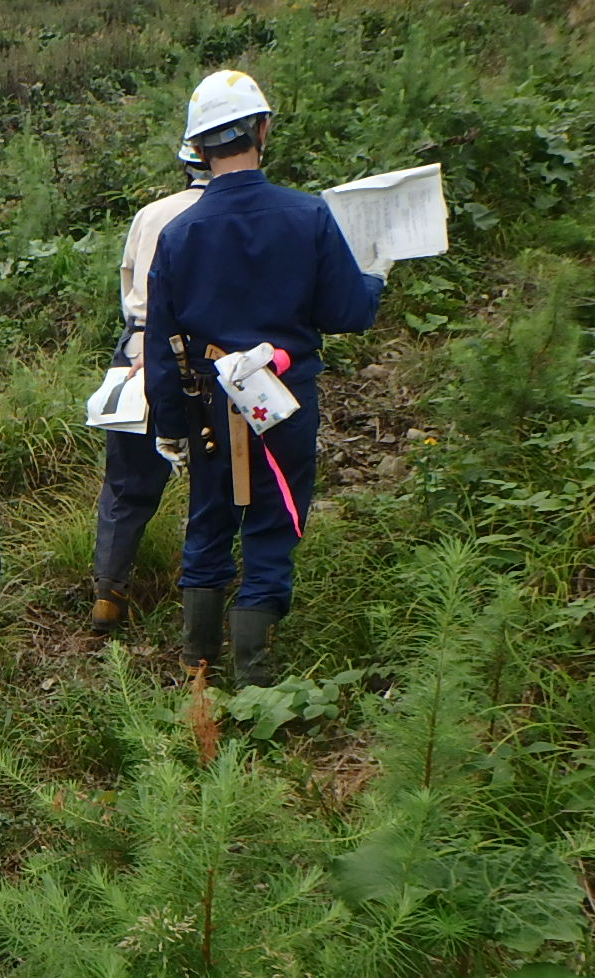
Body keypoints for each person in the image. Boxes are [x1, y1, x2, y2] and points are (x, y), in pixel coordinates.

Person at [144, 71, 386, 685]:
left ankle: (197, 664)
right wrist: (374, 271)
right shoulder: (308, 217)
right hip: (286, 404)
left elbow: (162, 346)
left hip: (207, 409)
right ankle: (254, 676)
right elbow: (346, 314)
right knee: (274, 524)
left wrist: (171, 426)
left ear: (198, 148)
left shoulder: (177, 236)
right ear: (263, 129)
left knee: (209, 518)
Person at [90, 143, 211, 636]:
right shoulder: (238, 214)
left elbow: (129, 290)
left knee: (127, 480)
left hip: (140, 352)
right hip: (211, 357)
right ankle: (202, 593)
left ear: (186, 164)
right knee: (213, 475)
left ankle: (108, 592)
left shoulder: (151, 214)